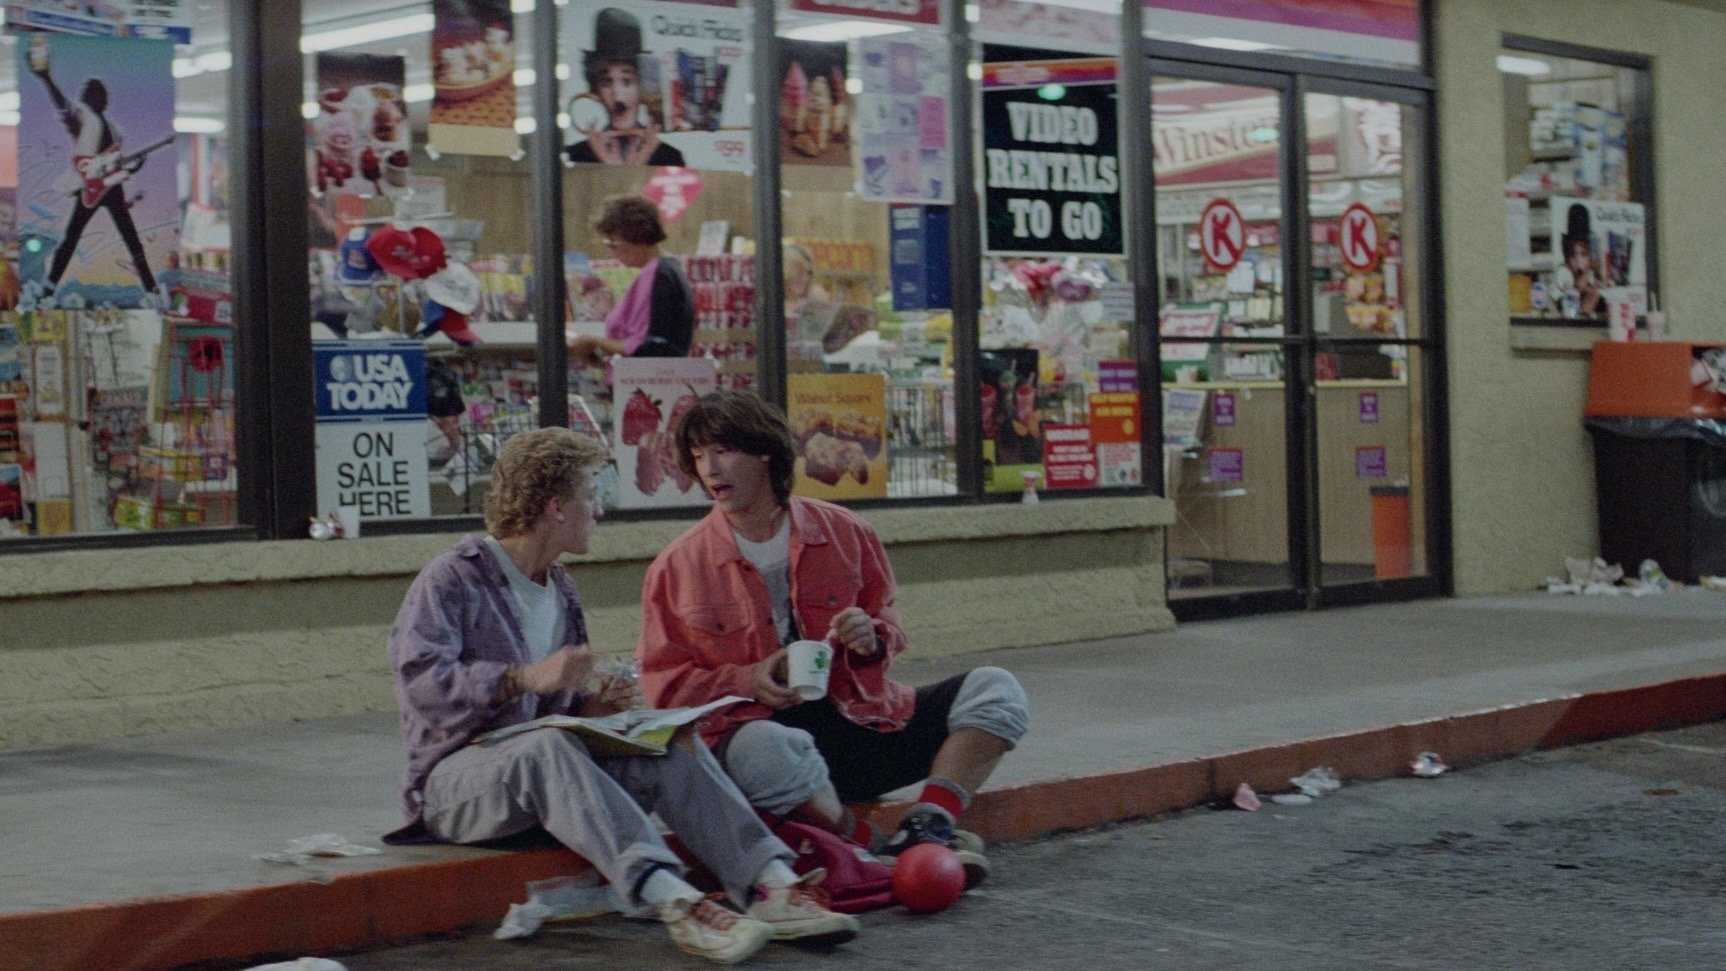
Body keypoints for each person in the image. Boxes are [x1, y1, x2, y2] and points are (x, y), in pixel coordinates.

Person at [385, 427, 858, 964]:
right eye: (592, 495)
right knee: (546, 748)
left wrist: (595, 709)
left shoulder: (561, 587)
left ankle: (770, 884)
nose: (600, 510)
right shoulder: (454, 577)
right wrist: (523, 677)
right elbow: (420, 684)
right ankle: (676, 902)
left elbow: (551, 712)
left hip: (541, 777)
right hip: (453, 788)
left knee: (665, 738)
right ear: (556, 507)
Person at [636, 392, 1030, 888]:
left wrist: (872, 637)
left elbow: (888, 623)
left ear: (765, 452)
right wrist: (751, 679)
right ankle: (869, 846)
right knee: (763, 748)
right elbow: (664, 685)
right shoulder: (677, 566)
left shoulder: (846, 531)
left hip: (860, 724)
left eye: (723, 451)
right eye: (698, 456)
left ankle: (927, 826)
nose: (709, 469)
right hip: (769, 752)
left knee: (996, 689)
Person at [27, 34, 162, 305]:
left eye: (104, 93)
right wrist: (46, 78)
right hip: (89, 185)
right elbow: (62, 104)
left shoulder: (115, 129)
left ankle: (152, 290)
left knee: (131, 239)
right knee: (71, 238)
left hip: (113, 187)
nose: (103, 96)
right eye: (97, 92)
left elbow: (116, 163)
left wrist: (134, 166)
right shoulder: (82, 117)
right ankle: (48, 290)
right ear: (88, 97)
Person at [567, 195, 694, 369]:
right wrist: (597, 355)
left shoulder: (658, 273)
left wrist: (595, 341)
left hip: (648, 380)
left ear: (636, 236)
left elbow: (651, 346)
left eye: (613, 245)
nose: (612, 253)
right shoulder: (665, 270)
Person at [565, 8, 685, 167]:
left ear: (642, 87)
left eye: (627, 81)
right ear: (596, 90)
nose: (618, 97)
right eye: (606, 83)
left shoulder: (670, 158)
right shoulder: (575, 155)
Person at [1560, 203, 1605, 320]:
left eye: (1584, 254)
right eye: (1573, 255)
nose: (1579, 263)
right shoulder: (1561, 299)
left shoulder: (1599, 299)